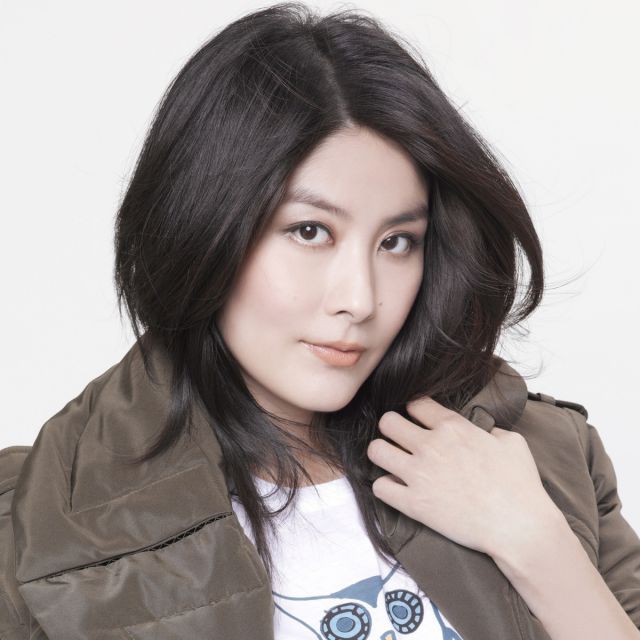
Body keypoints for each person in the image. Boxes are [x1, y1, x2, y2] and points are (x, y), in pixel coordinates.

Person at [1, 3, 639, 639]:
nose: (360, 299)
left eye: (397, 242)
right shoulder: (36, 528)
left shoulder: (537, 457)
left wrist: (537, 544)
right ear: (202, 224)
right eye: (310, 231)